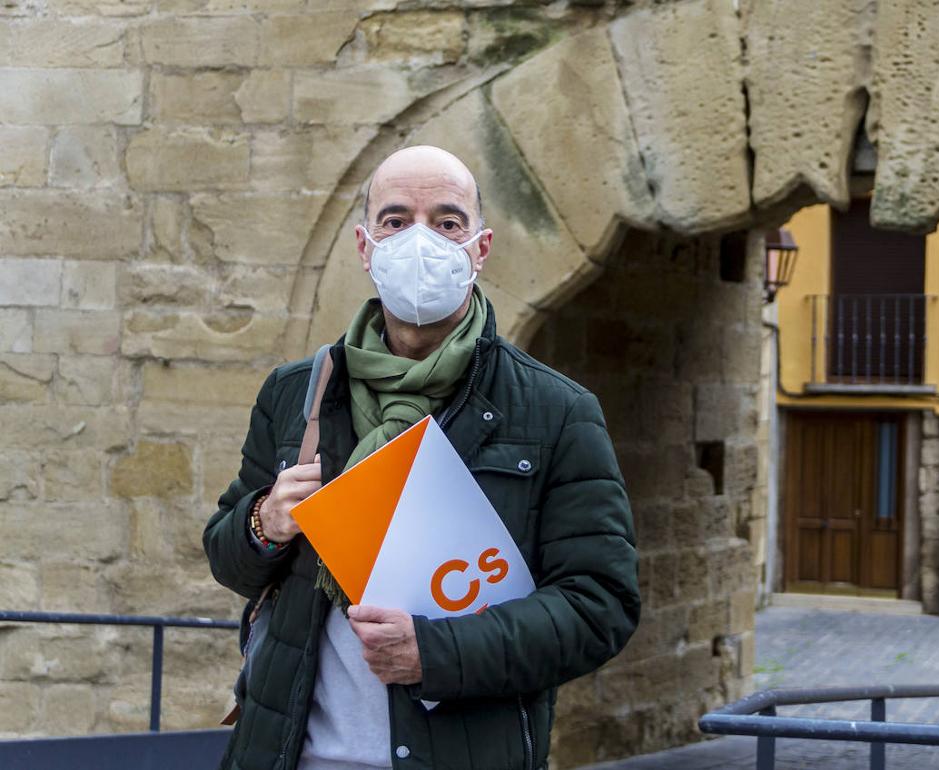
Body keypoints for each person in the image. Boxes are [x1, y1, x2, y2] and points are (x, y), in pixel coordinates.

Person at [203, 145, 641, 770]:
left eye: (447, 222)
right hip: (291, 754)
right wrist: (264, 522)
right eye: (396, 220)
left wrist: (437, 652)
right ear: (365, 247)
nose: (420, 241)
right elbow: (228, 556)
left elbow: (600, 606)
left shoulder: (556, 411)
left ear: (480, 249)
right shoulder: (296, 392)